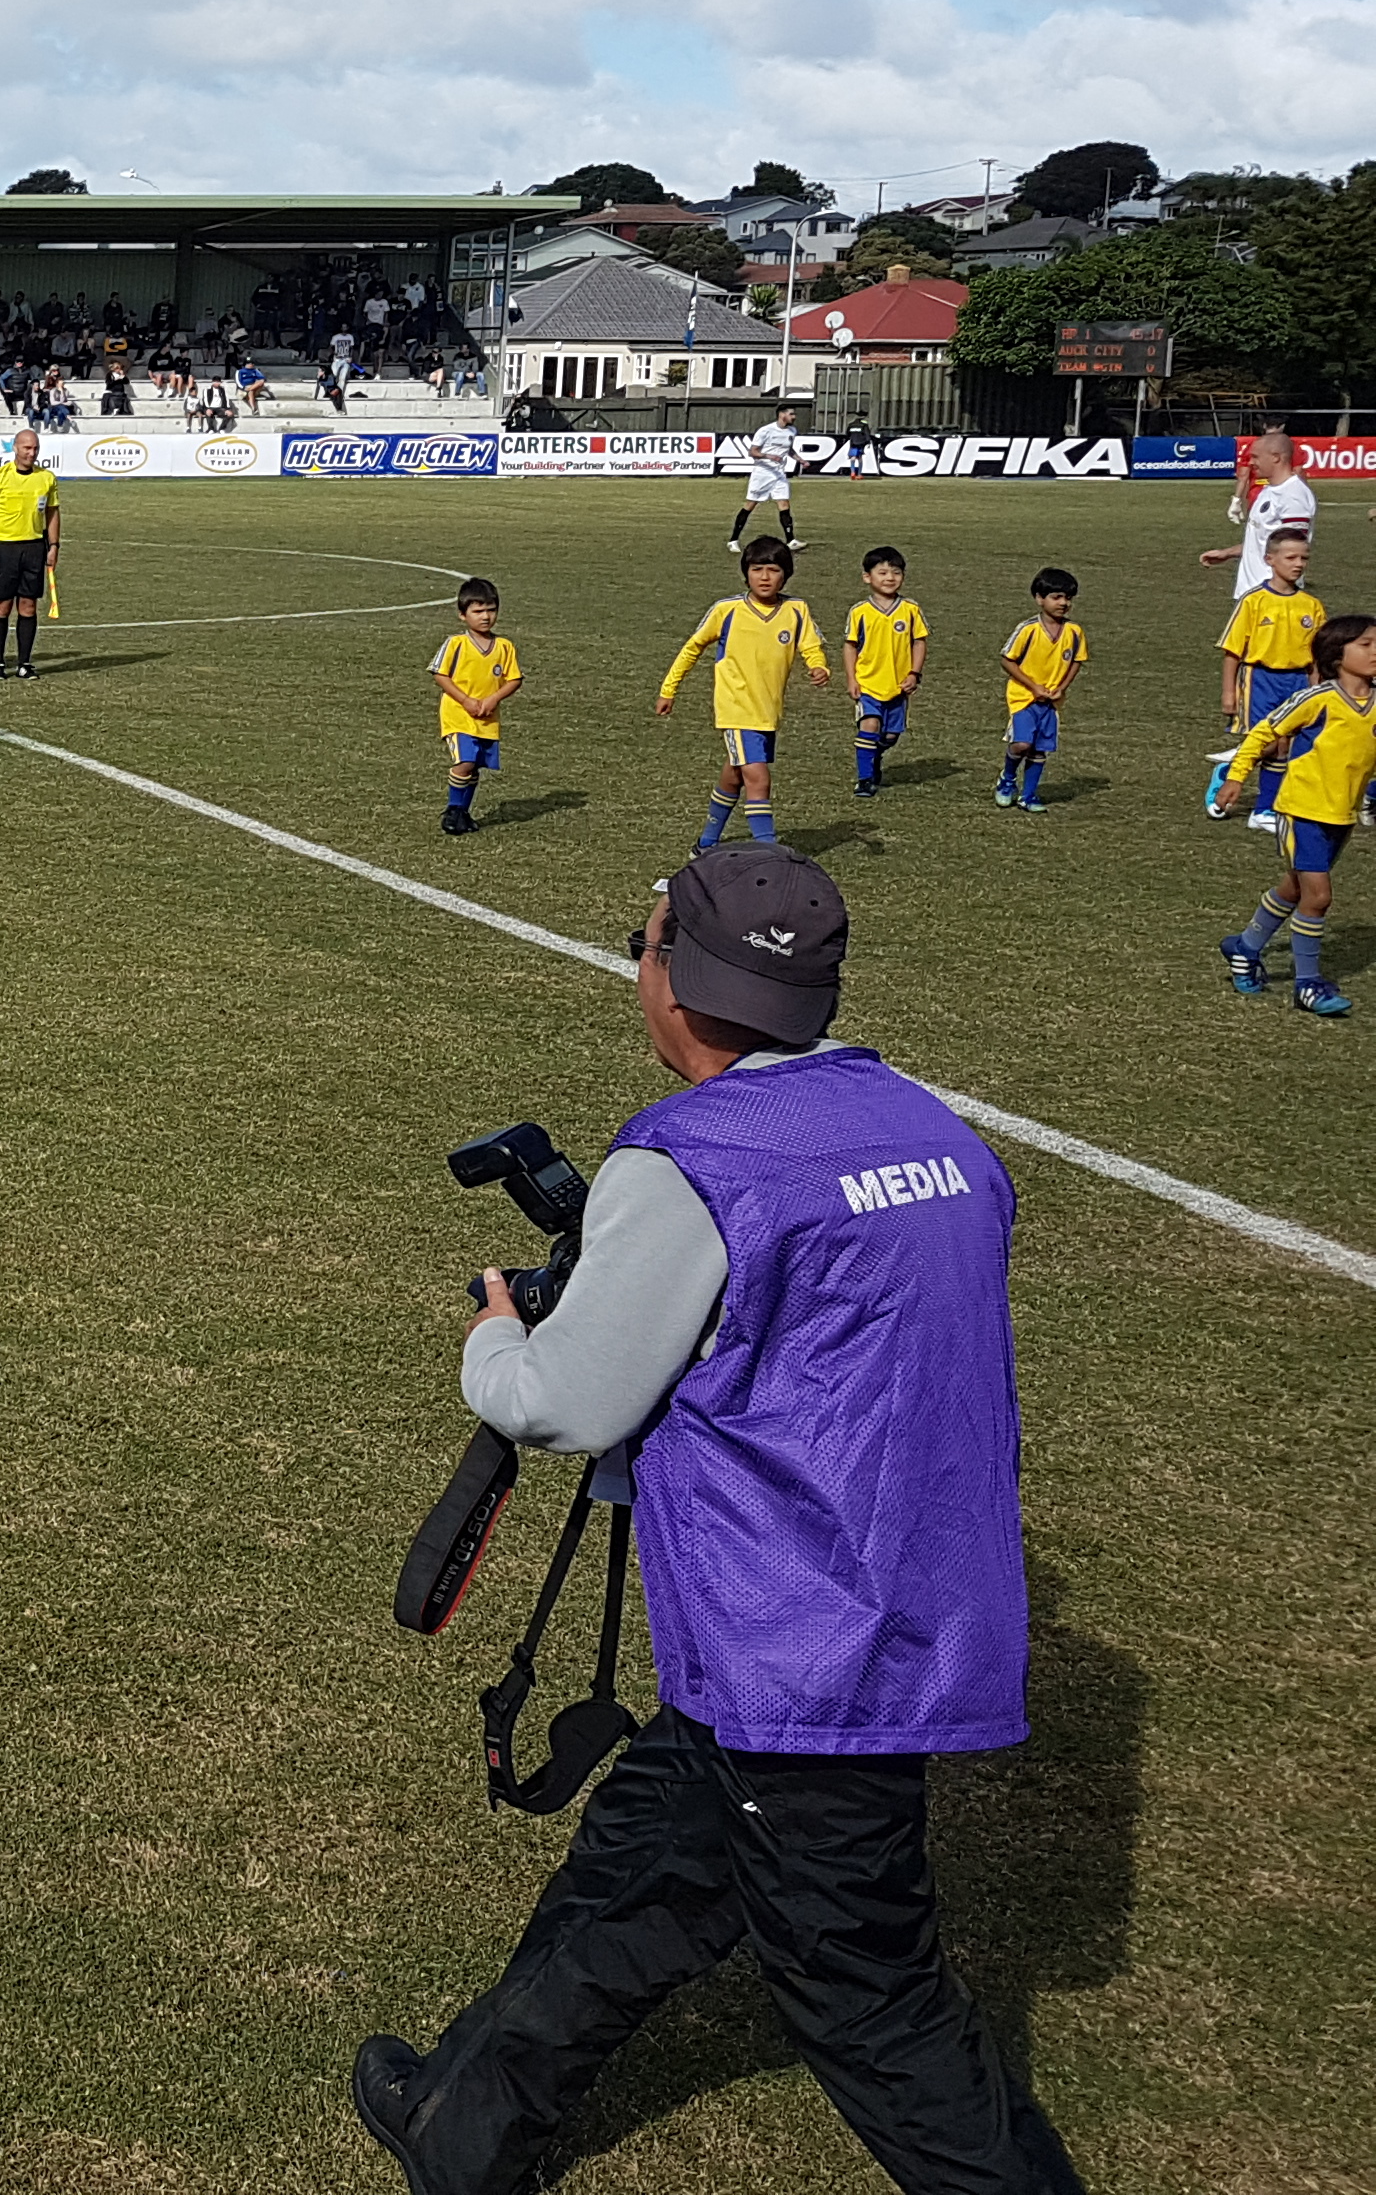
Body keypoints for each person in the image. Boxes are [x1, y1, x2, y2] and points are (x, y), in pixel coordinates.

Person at [354, 845, 1082, 2195]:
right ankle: (461, 2129)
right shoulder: (935, 1135)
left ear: (675, 985)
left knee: (876, 2008)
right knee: (635, 1879)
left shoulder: (690, 1160)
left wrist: (495, 1337)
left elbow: (566, 1402)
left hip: (800, 1654)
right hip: (894, 1604)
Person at [1213, 610, 1371, 1019]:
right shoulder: (1318, 699)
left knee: (1295, 890)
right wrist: (1235, 777)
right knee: (1318, 897)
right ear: (1338, 655)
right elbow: (1265, 732)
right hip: (1301, 810)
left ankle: (1245, 948)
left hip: (1341, 815)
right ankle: (1307, 985)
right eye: (1367, 645)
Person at [657, 537, 826, 850]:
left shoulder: (796, 610)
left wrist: (819, 667)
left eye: (773, 570)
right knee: (758, 779)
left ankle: (706, 843)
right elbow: (692, 647)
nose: (764, 577)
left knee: (734, 774)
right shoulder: (727, 610)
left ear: (785, 574)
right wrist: (669, 689)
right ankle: (769, 850)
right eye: (756, 569)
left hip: (768, 710)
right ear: (745, 573)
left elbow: (811, 645)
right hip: (736, 708)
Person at [1211, 527, 1323, 831]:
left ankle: (1264, 811)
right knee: (1270, 743)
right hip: (1259, 678)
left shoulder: (1311, 606)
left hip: (1297, 681)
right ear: (1270, 559)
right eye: (1290, 557)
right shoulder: (1254, 601)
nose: (1298, 564)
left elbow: (1316, 656)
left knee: (1284, 746)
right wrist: (1228, 693)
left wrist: (1316, 691)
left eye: (1304, 558)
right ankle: (1229, 773)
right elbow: (1232, 651)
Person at [992, 569, 1087, 814]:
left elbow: (1076, 661)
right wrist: (1034, 687)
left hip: (1051, 703)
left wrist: (1061, 688)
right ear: (1039, 598)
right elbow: (1007, 660)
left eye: (1067, 598)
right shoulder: (1028, 629)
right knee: (1022, 744)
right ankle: (1007, 779)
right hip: (1024, 698)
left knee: (1040, 749)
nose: (1063, 603)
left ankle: (1029, 795)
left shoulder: (1074, 632)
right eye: (1056, 597)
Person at [430, 578, 520, 836]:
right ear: (462, 614)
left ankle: (463, 812)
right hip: (458, 715)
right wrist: (465, 700)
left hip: (487, 717)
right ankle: (453, 810)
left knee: (475, 766)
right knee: (466, 761)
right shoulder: (456, 644)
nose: (485, 617)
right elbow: (440, 674)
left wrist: (493, 699)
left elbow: (514, 679)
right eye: (478, 611)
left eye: (490, 610)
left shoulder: (504, 647)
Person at [842, 545, 929, 797]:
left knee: (890, 735)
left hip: (898, 686)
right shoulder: (860, 612)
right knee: (869, 725)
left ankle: (873, 758)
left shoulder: (910, 610)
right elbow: (850, 646)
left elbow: (919, 642)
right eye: (882, 572)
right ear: (867, 577)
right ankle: (865, 779)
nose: (890, 578)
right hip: (868, 684)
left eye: (896, 573)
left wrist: (914, 673)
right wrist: (851, 678)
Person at [0, 426, 61, 679]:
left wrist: (54, 546)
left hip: (34, 547)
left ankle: (24, 663)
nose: (31, 453)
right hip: (5, 548)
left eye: (35, 448)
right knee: (2, 606)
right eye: (26, 448)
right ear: (15, 448)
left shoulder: (46, 478)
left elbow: (53, 513)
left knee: (28, 606)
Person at [1204, 425, 1318, 602]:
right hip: (1252, 594)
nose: (1250, 462)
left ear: (1276, 458)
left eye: (1255, 457)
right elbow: (1265, 541)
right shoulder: (1268, 490)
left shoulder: (1293, 496)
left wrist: (1277, 593)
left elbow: (1293, 549)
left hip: (1271, 597)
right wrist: (1227, 553)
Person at [730, 403, 805, 550]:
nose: (794, 417)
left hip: (779, 473)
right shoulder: (766, 430)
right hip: (763, 473)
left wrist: (799, 459)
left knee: (784, 505)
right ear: (781, 414)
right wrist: (768, 456)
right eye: (791, 414)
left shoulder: (792, 431)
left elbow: (788, 449)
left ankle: (791, 540)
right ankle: (733, 540)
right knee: (750, 505)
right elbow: (752, 452)